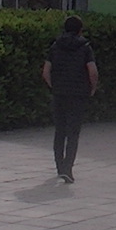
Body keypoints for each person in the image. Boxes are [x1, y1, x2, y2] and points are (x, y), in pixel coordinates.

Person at [41, 15, 98, 183]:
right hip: (78, 95)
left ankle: (59, 166)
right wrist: (92, 88)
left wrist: (54, 86)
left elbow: (45, 72)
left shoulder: (55, 46)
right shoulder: (85, 47)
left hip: (59, 93)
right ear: (80, 30)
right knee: (73, 132)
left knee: (60, 130)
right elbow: (92, 71)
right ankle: (68, 168)